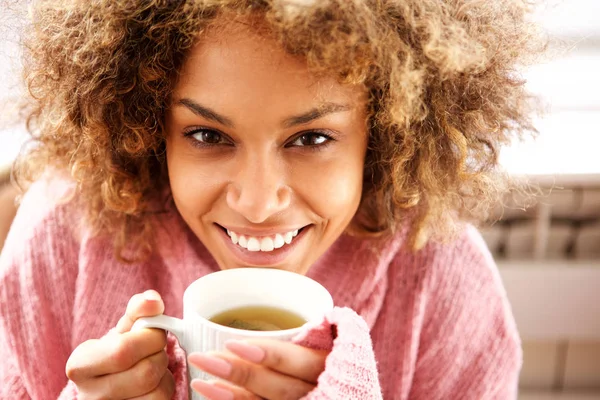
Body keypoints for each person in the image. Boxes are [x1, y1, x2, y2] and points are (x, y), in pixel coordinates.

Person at [0, 0, 544, 399]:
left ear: (383, 135)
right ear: (147, 123)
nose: (258, 204)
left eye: (310, 139)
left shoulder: (439, 271)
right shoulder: (64, 234)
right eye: (208, 136)